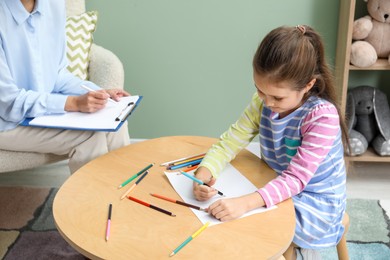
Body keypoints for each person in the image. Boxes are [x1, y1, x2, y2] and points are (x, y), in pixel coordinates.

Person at [192, 25, 349, 259]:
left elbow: (296, 179)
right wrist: (203, 173)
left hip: (315, 203)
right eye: (260, 90)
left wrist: (245, 204)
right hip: (279, 186)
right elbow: (230, 142)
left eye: (277, 97)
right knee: (228, 217)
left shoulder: (321, 117)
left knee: (250, 228)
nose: (266, 102)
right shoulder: (263, 102)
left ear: (308, 85)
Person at [0, 0, 130, 173]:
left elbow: (58, 74)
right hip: (7, 121)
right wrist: (74, 103)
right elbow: (8, 102)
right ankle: (88, 200)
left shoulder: (53, 5)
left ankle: (122, 196)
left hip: (39, 111)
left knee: (115, 120)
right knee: (90, 138)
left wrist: (98, 93)